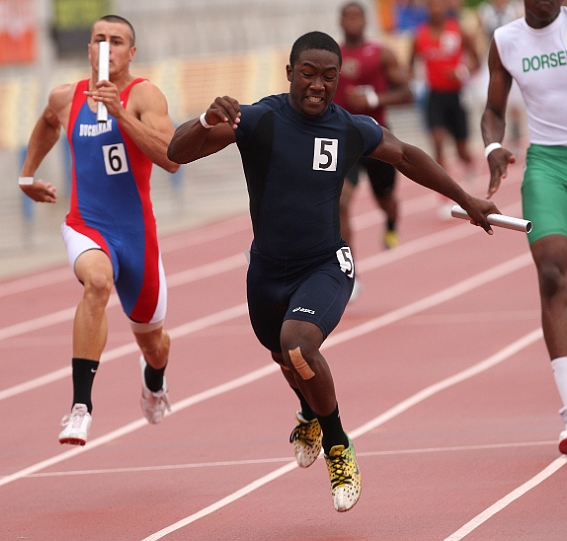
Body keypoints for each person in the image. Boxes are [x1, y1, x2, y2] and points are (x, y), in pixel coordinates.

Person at [167, 31, 499, 511]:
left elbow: (406, 155)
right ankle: (309, 412)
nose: (318, 86)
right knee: (287, 360)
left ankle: (338, 444)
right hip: (266, 270)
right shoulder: (260, 119)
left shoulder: (348, 127)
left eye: (329, 77)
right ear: (289, 74)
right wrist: (204, 119)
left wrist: (466, 200)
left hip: (324, 263)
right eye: (308, 74)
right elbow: (178, 152)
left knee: (298, 344)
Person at [19, 15, 179, 446]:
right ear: (89, 50)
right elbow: (49, 123)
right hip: (86, 225)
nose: (107, 47)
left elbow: (171, 158)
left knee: (155, 345)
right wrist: (27, 175)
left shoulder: (144, 94)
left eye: (117, 40)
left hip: (137, 235)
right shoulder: (65, 97)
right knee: (96, 282)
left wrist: (119, 113)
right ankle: (80, 408)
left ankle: (155, 379)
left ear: (131, 52)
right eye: (99, 40)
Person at [481, 0, 567, 455]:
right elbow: (494, 111)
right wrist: (494, 147)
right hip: (548, 163)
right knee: (553, 273)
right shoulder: (506, 40)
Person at [333, 1, 413, 258]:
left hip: (377, 137)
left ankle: (391, 223)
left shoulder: (381, 53)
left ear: (366, 21)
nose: (352, 21)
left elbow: (407, 93)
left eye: (357, 16)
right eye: (348, 17)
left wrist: (373, 100)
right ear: (340, 21)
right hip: (344, 138)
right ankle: (348, 267)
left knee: (385, 200)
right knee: (341, 201)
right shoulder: (332, 56)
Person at [410, 0, 480, 185]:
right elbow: (409, 65)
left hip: (457, 95)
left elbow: (477, 62)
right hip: (434, 95)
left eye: (439, 4)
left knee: (461, 150)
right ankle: (443, 190)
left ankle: (469, 164)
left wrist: (461, 71)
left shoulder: (458, 30)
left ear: (445, 7)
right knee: (438, 141)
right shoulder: (420, 35)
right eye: (431, 5)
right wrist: (412, 79)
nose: (435, 9)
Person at [476, 0, 524, 156]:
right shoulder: (485, 10)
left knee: (514, 105)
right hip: (492, 59)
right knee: (488, 101)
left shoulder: (515, 8)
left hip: (511, 59)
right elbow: (480, 35)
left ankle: (516, 140)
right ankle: (494, 141)